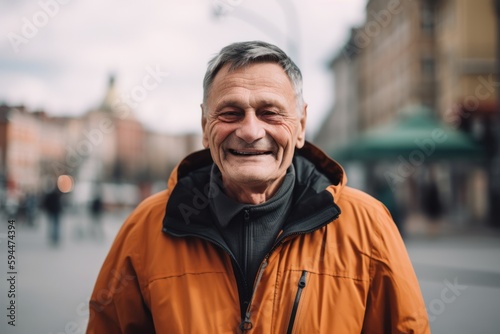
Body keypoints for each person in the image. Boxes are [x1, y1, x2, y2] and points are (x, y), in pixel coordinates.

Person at [87, 41, 429, 333]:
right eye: (231, 113)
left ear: (301, 126)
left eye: (270, 112)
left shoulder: (368, 226)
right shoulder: (146, 227)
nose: (250, 131)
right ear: (205, 127)